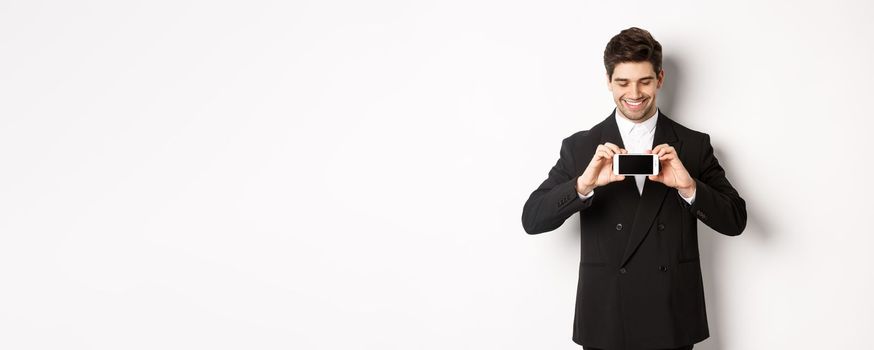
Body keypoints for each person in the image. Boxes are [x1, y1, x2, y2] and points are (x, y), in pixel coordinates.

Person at [521, 27, 747, 350]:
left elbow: (736, 220)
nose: (635, 93)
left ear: (660, 78)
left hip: (671, 320)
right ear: (608, 81)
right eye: (623, 82)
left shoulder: (694, 146)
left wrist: (689, 187)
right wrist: (583, 186)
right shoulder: (581, 148)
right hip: (606, 320)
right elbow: (532, 218)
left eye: (644, 81)